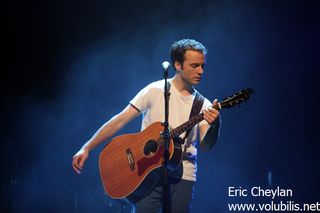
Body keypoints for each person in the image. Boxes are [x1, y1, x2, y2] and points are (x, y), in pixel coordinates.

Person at [72, 39, 221, 213]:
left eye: (203, 66)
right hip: (145, 172)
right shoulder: (154, 90)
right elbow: (120, 120)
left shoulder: (204, 105)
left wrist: (215, 125)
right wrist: (87, 147)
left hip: (182, 177)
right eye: (195, 65)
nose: (200, 71)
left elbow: (205, 145)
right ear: (178, 65)